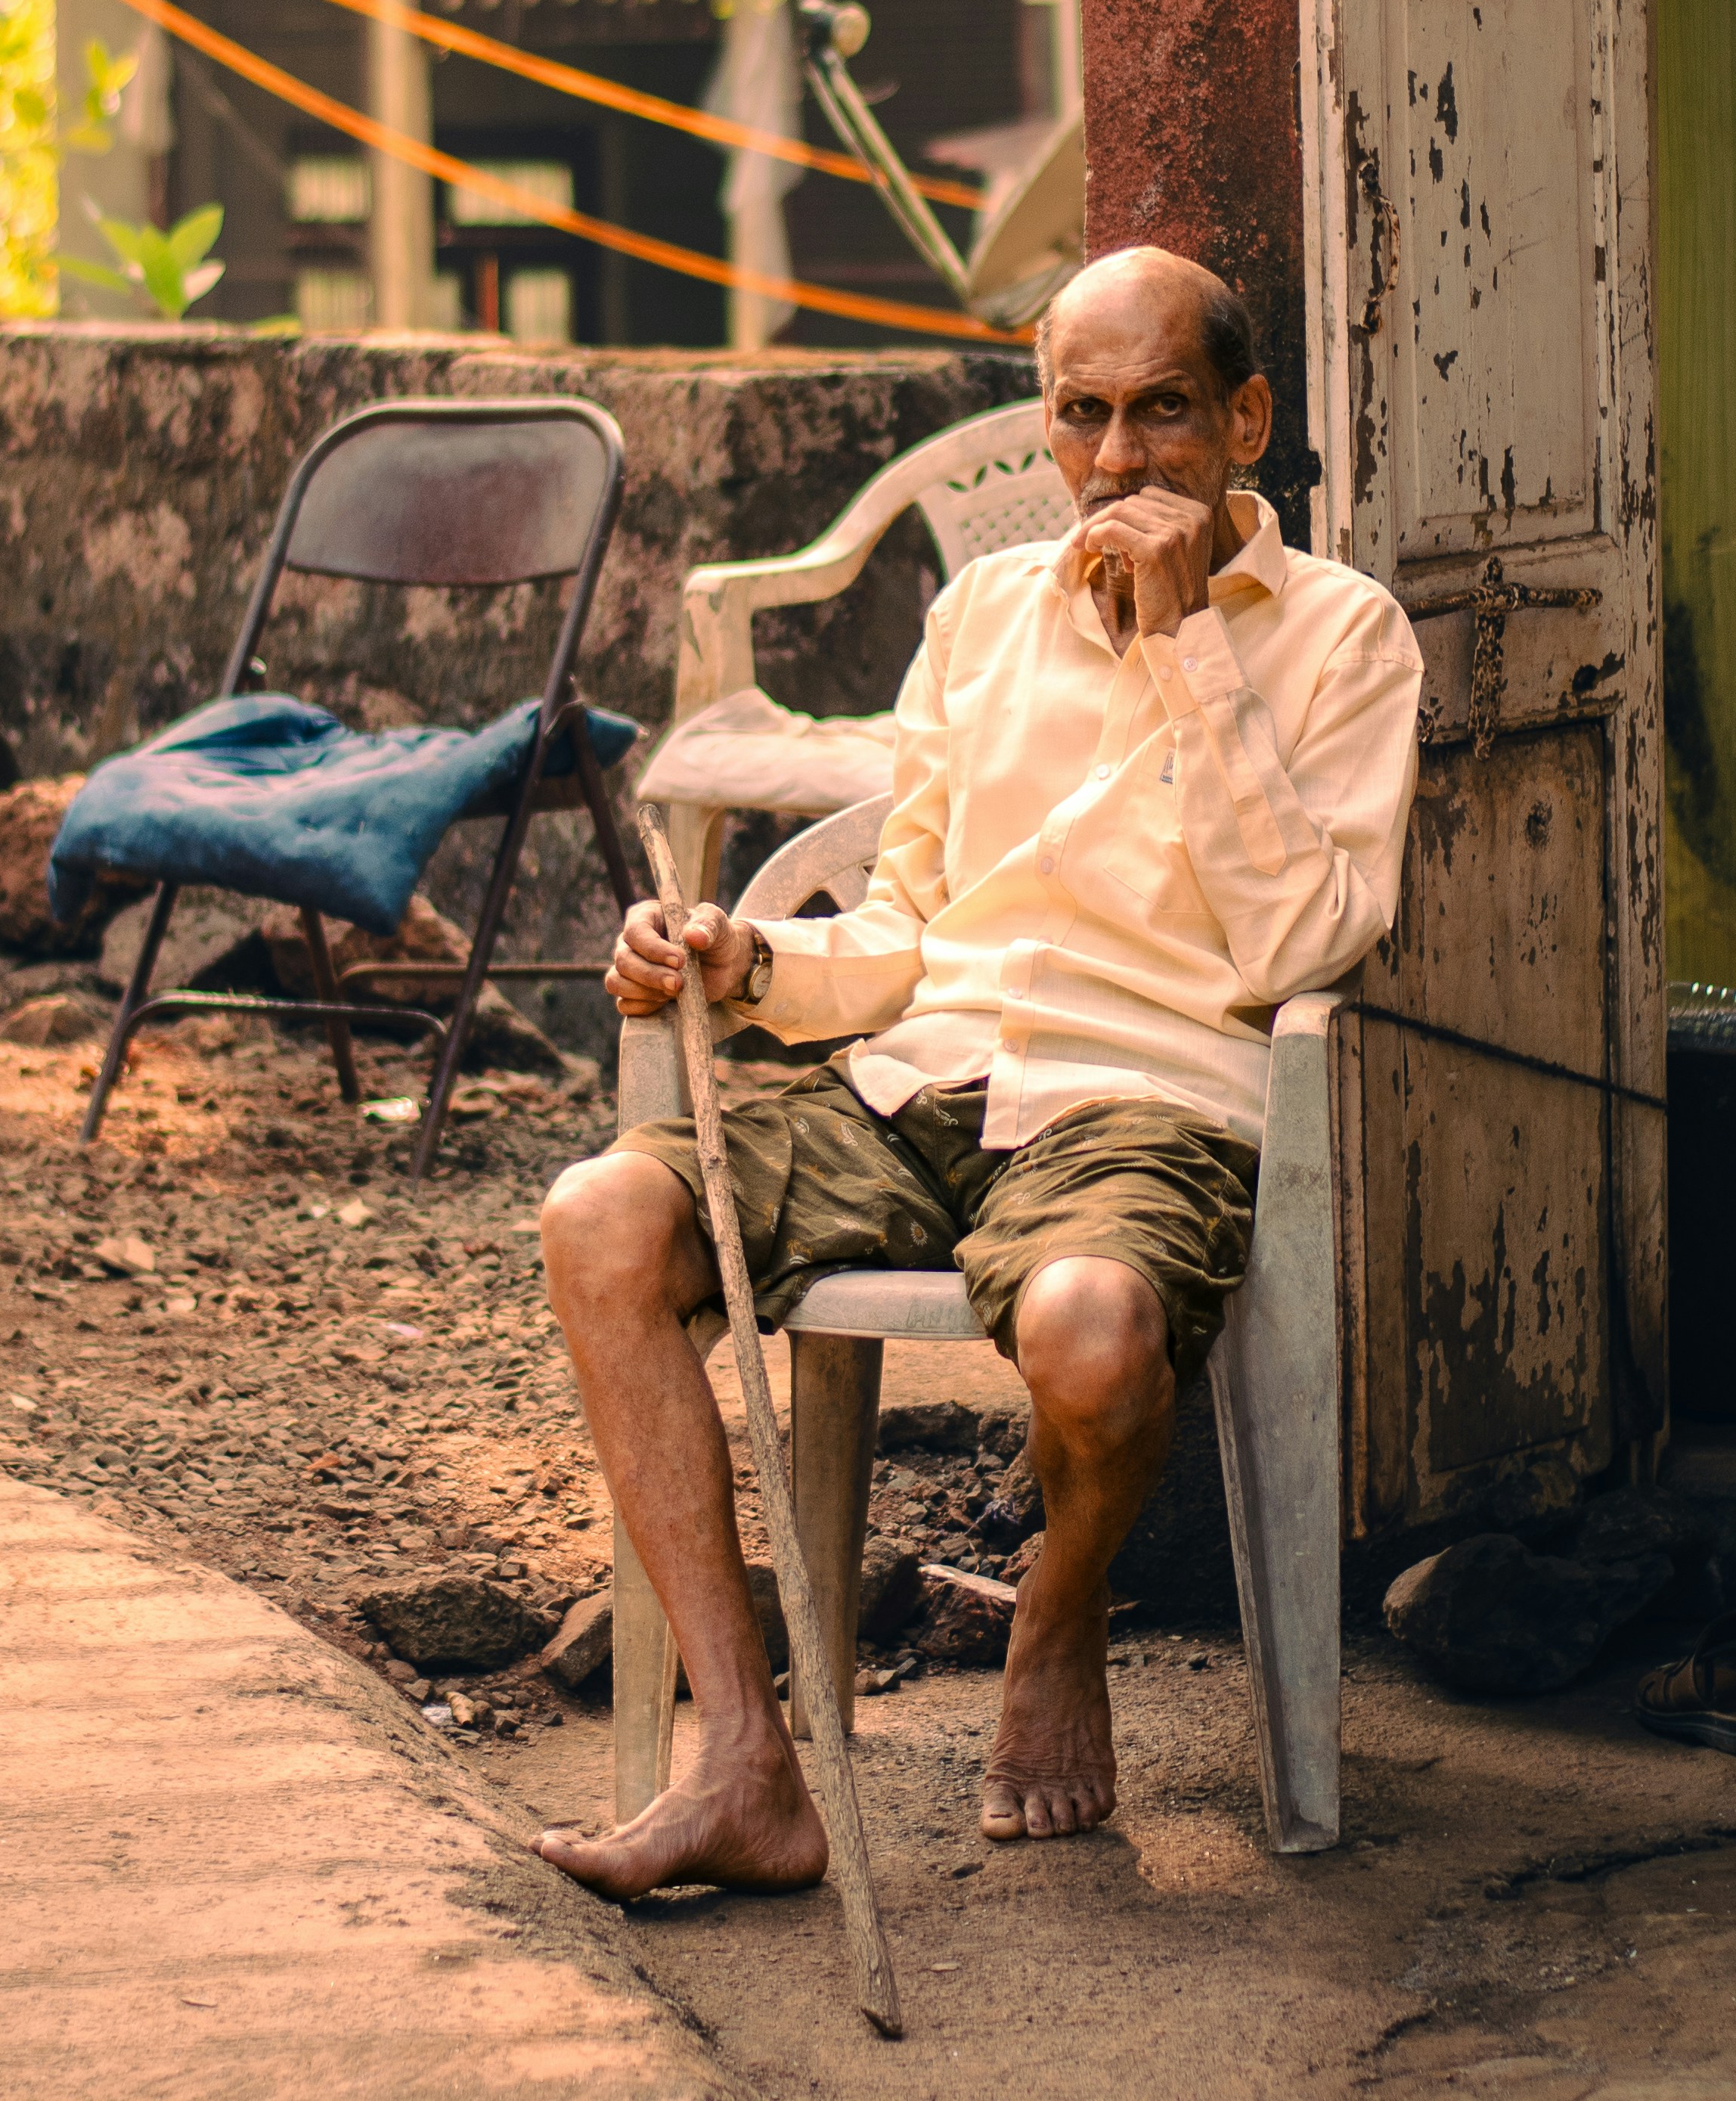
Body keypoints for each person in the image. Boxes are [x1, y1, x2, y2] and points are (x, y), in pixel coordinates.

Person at [535, 244, 1424, 1897]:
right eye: (1080, 415)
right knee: (599, 1218)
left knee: (1091, 1335)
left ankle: (1056, 1617)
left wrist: (1187, 645)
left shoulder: (1342, 636)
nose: (1117, 459)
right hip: (918, 1082)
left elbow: (1302, 946)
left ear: (1245, 421)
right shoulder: (983, 613)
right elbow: (902, 923)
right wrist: (744, 958)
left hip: (1145, 1103)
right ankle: (743, 1763)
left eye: (1162, 411)